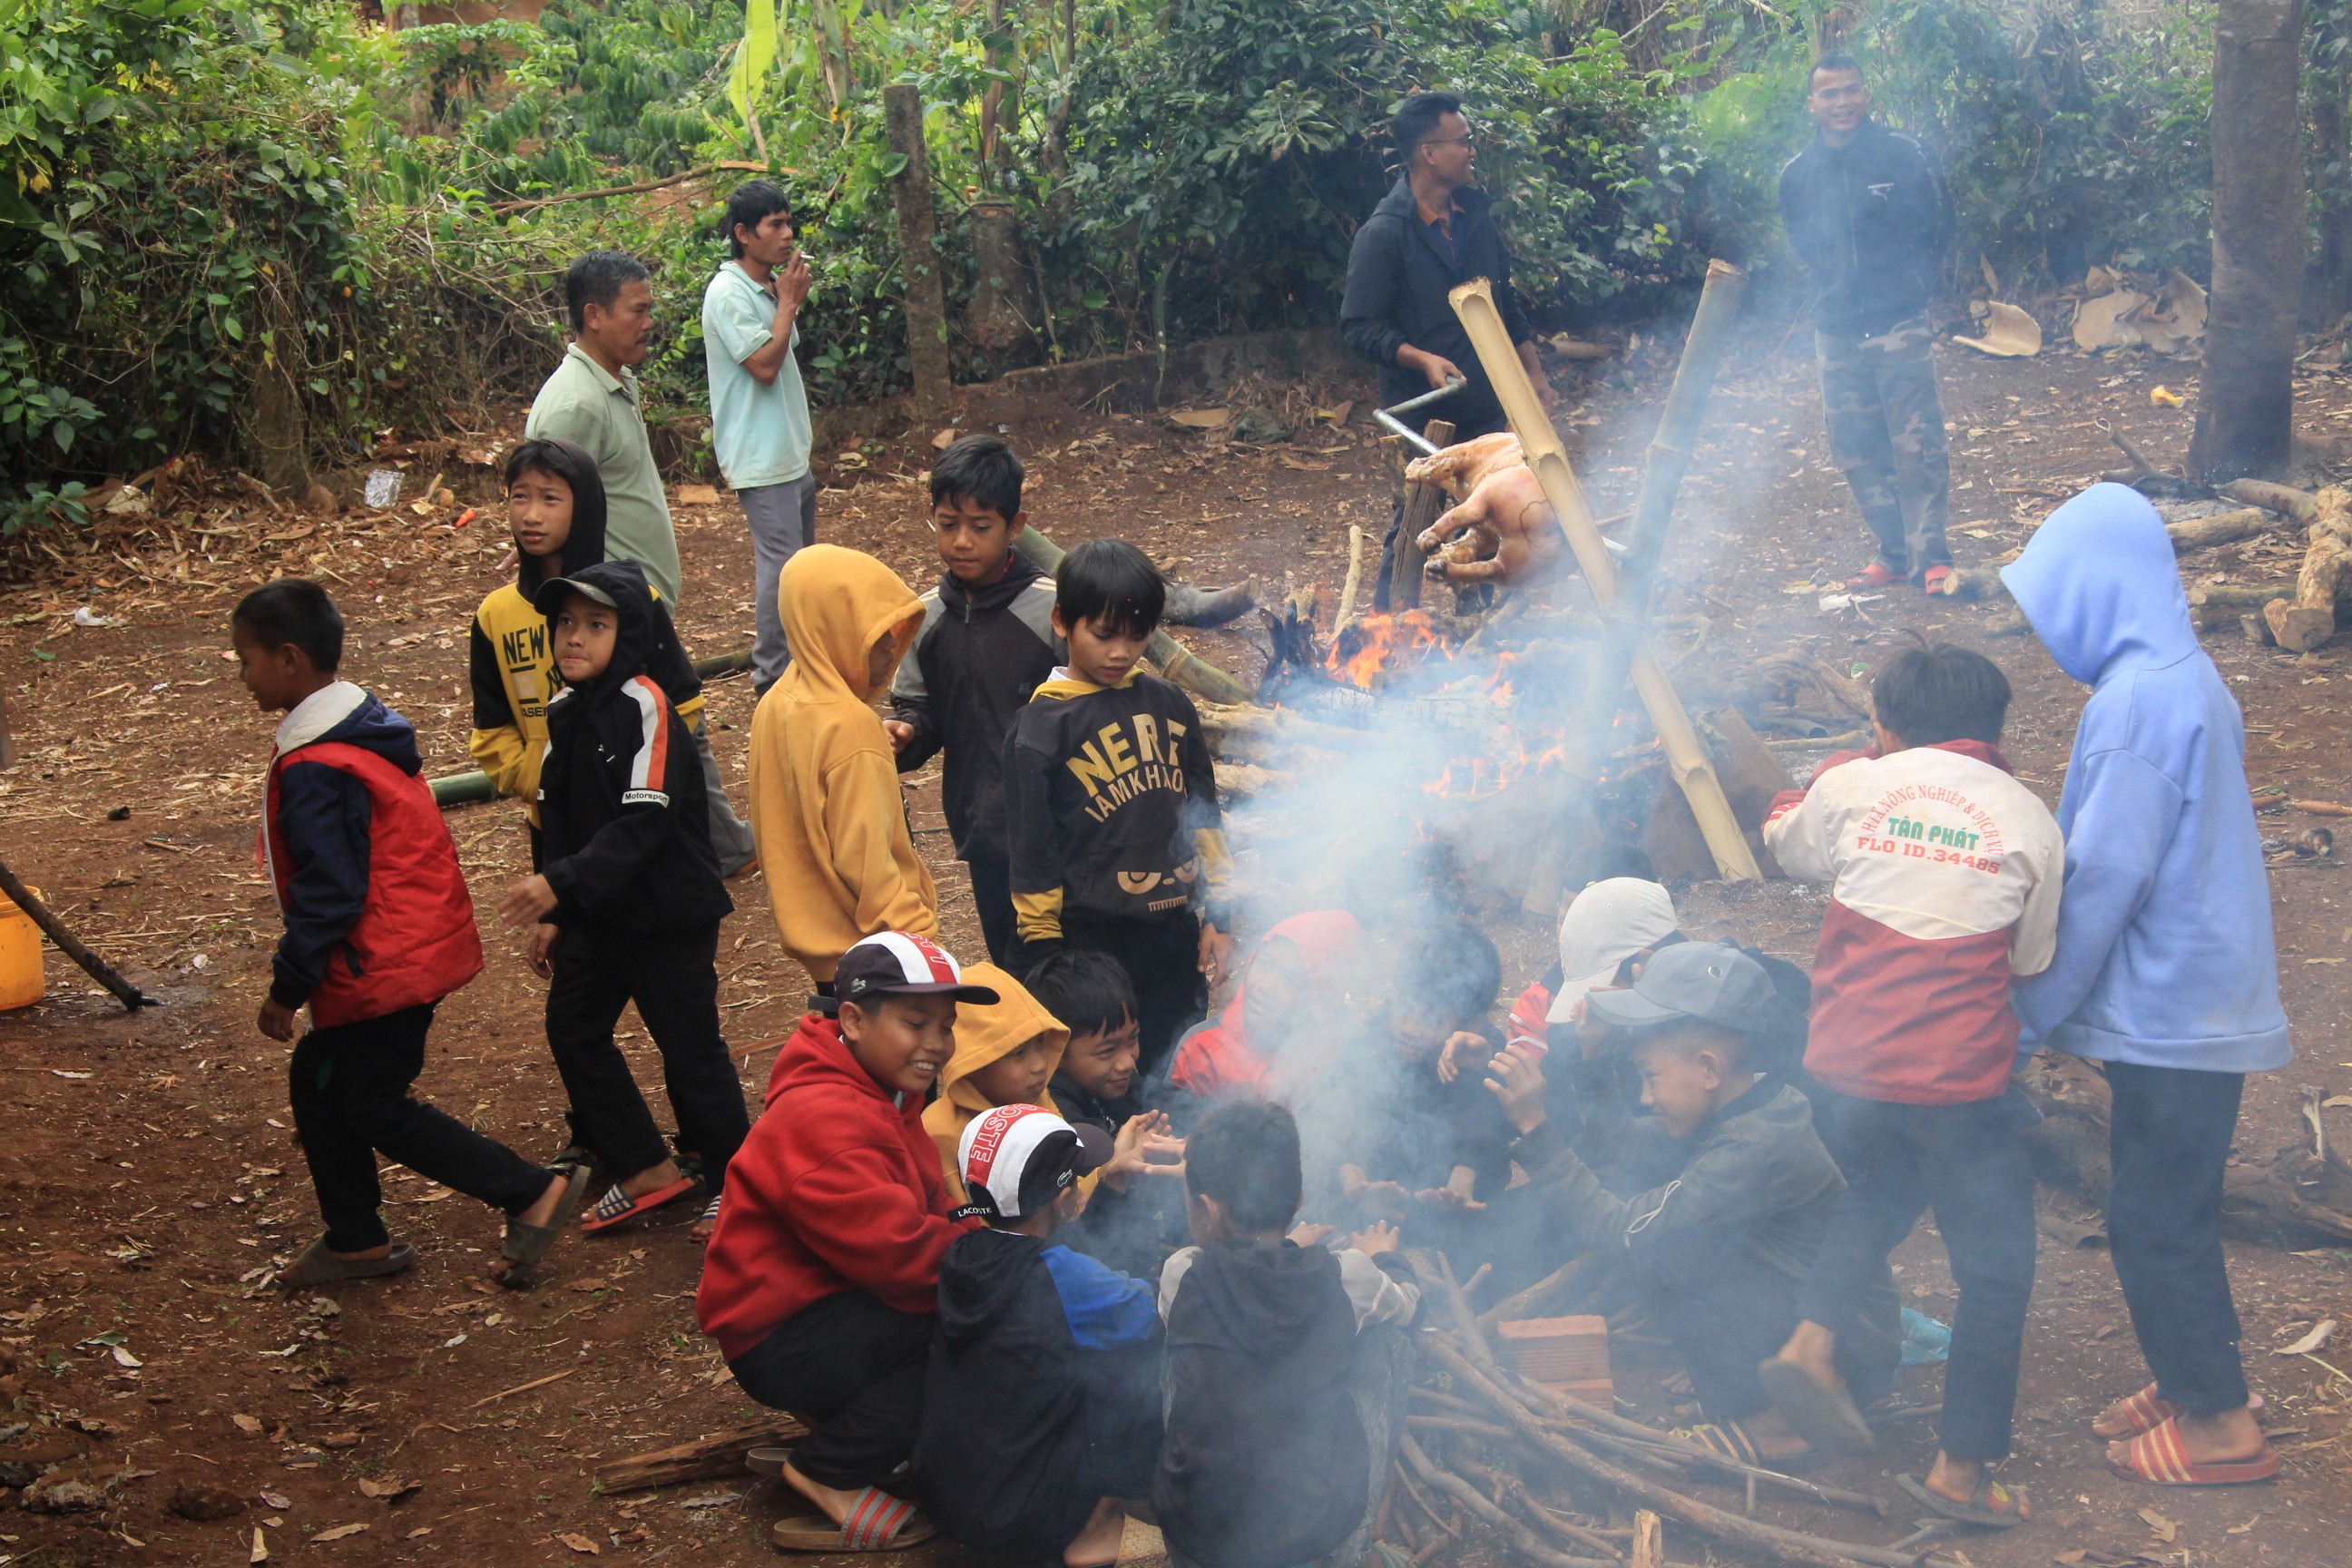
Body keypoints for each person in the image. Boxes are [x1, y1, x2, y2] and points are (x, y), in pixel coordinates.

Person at [2003, 484, 2290, 1488]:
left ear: (2100, 591)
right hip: (2206, 993)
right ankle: (2192, 1378)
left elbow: (2103, 883)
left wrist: (2026, 1017)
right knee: (2173, 1201)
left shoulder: (2135, 704)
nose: (2051, 631)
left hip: (2176, 1008)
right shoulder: (2185, 675)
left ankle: (2217, 1425)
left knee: (2150, 1216)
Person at [1757, 641, 2063, 1528]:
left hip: (1847, 1070)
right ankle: (1960, 1476)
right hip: (1959, 1085)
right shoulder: (2030, 820)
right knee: (1996, 1274)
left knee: (1877, 1194)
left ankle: (1812, 1342)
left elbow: (1788, 849)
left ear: (1883, 726)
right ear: (1996, 733)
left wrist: (1821, 783)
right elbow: (2033, 959)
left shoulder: (1855, 784)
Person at [234, 579, 584, 1292]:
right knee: (321, 1078)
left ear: (291, 660)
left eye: (246, 659)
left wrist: (287, 986)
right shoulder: (360, 731)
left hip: (381, 962)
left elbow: (329, 893)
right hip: (407, 945)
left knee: (371, 1100)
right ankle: (356, 1239)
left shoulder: (315, 767)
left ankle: (529, 1191)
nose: (242, 674)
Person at [1485, 943, 1900, 1469]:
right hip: (1823, 1329)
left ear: (1708, 1068)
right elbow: (1621, 1153)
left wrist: (1535, 1129)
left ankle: (1780, 1427)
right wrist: (1594, 1067)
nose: (1645, 1096)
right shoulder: (1741, 1105)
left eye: (1651, 1076)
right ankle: (1738, 1387)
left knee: (1658, 1248)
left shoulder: (1756, 1145)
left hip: (1838, 1363)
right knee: (1664, 1240)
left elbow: (1618, 1230)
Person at [698, 933, 1000, 1553]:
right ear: (855, 1020)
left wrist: (984, 1237)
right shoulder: (829, 1121)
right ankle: (827, 1469)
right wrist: (1003, 1274)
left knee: (979, 1305)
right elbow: (902, 1258)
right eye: (916, 1022)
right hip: (779, 1333)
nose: (937, 1044)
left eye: (946, 1026)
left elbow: (935, 1203)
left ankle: (856, 1423)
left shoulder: (886, 1092)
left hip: (827, 1299)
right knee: (973, 1338)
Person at [493, 563, 750, 1242]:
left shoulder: (646, 703)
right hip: (602, 915)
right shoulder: (564, 710)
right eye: (566, 624)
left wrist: (561, 886)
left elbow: (645, 821)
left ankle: (738, 1187)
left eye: (596, 626)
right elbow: (560, 816)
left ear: (629, 634)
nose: (574, 639)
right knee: (574, 1031)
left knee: (690, 1049)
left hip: (668, 915)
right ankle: (645, 1169)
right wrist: (558, 913)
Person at [527, 250, 758, 872]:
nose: (649, 321)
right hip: (613, 601)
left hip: (634, 595)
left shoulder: (614, 381)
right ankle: (721, 845)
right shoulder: (574, 404)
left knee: (662, 714)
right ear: (594, 316)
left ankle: (700, 840)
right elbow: (545, 515)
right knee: (677, 712)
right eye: (640, 309)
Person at [1155, 1102, 1421, 1568]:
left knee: (1181, 1341)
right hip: (1311, 1532)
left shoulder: (1182, 1274)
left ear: (1207, 1208)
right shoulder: (1348, 1277)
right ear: (1297, 1198)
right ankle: (1351, 1551)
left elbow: (1249, 1289)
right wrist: (1385, 1258)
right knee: (1387, 1338)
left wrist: (1282, 1250)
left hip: (1196, 1530)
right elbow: (1410, 1306)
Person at [1006, 540, 1232, 1073]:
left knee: (1175, 1063)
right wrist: (1047, 955)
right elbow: (1030, 851)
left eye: (1137, 636)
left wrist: (1219, 915)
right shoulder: (1039, 731)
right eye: (1104, 635)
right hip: (1090, 941)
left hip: (1171, 933)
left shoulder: (1170, 705)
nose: (1120, 652)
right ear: (1063, 621)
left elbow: (1204, 814)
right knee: (1104, 1070)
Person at [912, 1105, 1164, 1567]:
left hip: (957, 1500)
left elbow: (1054, 1268)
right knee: (1138, 1363)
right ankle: (1094, 1527)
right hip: (1032, 1514)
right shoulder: (1063, 1275)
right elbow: (1149, 1314)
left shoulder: (963, 1253)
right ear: (1067, 1198)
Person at [1339, 90, 1552, 611]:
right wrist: (1421, 358)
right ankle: (1389, 627)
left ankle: (1474, 621)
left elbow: (1507, 305)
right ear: (1429, 152)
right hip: (1427, 416)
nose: (1472, 150)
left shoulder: (1477, 219)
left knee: (1490, 516)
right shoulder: (1384, 235)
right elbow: (1359, 326)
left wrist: (1534, 376)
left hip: (1487, 406)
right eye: (1464, 142)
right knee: (1416, 516)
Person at [467, 438, 711, 863]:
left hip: (637, 824)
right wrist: (541, 776)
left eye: (550, 499)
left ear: (586, 507)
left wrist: (632, 780)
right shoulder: (495, 615)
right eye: (519, 497)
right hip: (553, 822)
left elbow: (684, 705)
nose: (531, 515)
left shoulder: (636, 601)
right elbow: (492, 732)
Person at [1779, 53, 1956, 593]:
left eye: (1850, 90)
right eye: (1830, 94)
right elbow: (1802, 245)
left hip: (1897, 320)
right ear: (1812, 104)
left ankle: (1933, 558)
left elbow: (1941, 225)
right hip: (1835, 328)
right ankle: (1893, 552)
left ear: (1866, 94)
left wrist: (1911, 287)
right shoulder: (1797, 174)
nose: (1842, 103)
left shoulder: (1903, 154)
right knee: (1855, 445)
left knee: (1916, 438)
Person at [885, 436, 1064, 964]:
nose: (962, 541)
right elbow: (919, 709)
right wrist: (906, 733)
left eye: (980, 527)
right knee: (1012, 962)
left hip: (1061, 825)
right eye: (947, 524)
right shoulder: (925, 618)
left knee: (1069, 963)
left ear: (1015, 527)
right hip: (982, 828)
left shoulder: (1052, 610)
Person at [747, 544, 938, 993]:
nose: (892, 645)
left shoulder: (778, 702)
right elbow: (865, 860)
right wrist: (921, 939)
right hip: (880, 951)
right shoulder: (850, 726)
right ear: (831, 630)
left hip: (822, 956)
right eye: (873, 634)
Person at [702, 181, 818, 697]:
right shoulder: (728, 293)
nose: (787, 233)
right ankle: (772, 678)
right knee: (784, 572)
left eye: (788, 221)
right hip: (761, 457)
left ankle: (805, 665)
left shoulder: (765, 286)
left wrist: (783, 298)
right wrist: (789, 301)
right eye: (775, 224)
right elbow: (765, 367)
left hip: (789, 454)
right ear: (743, 234)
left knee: (803, 570)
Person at [1330, 919, 1514, 1230]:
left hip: (1455, 1208)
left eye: (1431, 1016)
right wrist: (1352, 1175)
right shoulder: (1377, 1034)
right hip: (1379, 1198)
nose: (1408, 1028)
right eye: (1404, 1005)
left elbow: (1487, 1125)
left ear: (1473, 1022)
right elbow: (1341, 1098)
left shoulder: (1485, 1051)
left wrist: (1462, 1180)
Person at [1029, 950, 1190, 1276]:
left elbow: (1173, 1101)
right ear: (1056, 1051)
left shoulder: (1119, 1083)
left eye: (1133, 1040)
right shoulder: (1054, 1116)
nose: (1128, 1062)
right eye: (1107, 1051)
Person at [1162, 912, 1363, 1111]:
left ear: (1319, 998)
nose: (1265, 987)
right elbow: (1170, 1132)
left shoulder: (1338, 1061)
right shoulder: (1202, 1049)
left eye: (1291, 980)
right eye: (1265, 964)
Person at [921, 961, 1072, 1200]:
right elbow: (966, 1222)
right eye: (1018, 1053)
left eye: (1041, 1042)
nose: (1039, 1065)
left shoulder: (1033, 1099)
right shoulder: (942, 1133)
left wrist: (1106, 1175)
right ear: (972, 1064)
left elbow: (1069, 1180)